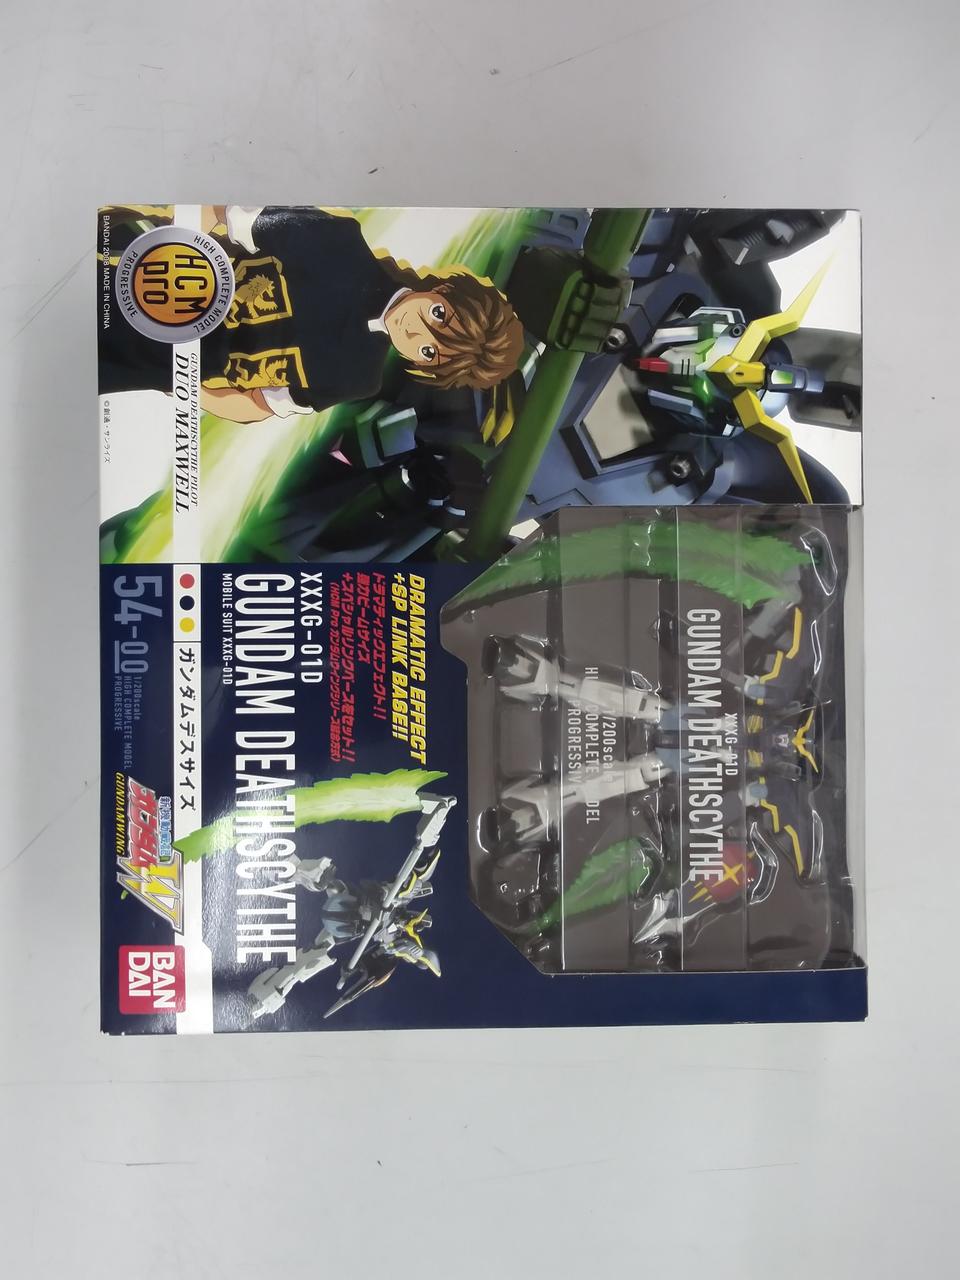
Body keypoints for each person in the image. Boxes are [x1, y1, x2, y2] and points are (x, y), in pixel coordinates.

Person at [99, 205, 525, 422]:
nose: (417, 334)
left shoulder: (357, 379)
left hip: (149, 365)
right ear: (443, 290)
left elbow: (256, 406)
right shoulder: (340, 241)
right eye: (438, 316)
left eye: (430, 353)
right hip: (143, 282)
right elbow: (220, 215)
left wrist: (179, 385)